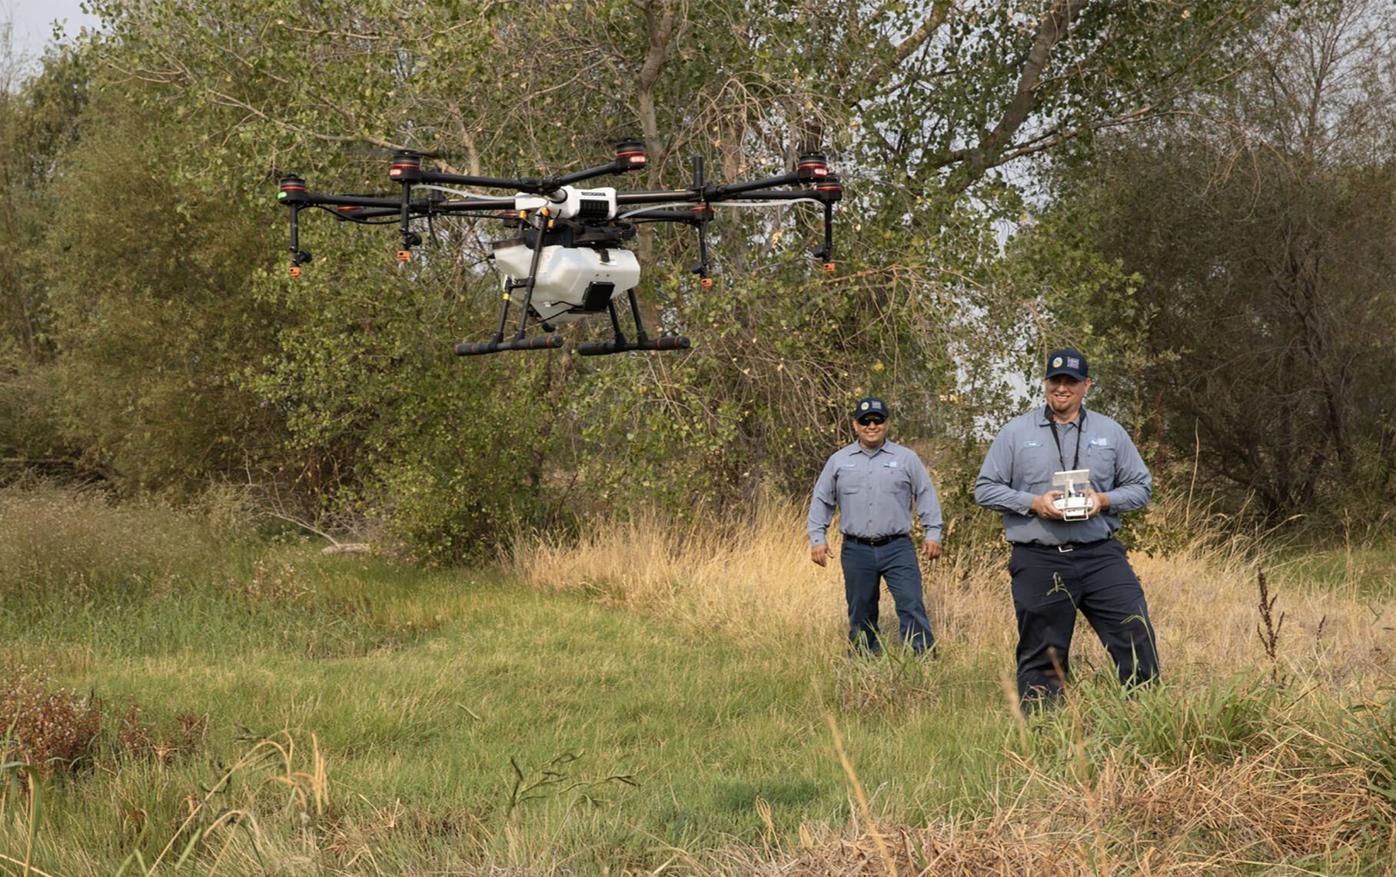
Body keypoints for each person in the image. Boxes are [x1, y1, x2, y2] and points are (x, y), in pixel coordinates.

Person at [975, 348, 1160, 710]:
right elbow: (985, 488)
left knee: (1135, 635)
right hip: (1039, 558)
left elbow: (1141, 487)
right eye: (1055, 380)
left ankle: (1145, 720)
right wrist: (1033, 503)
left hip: (1099, 555)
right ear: (1045, 384)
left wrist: (1102, 501)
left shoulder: (1111, 432)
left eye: (1071, 382)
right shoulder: (1015, 433)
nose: (1062, 388)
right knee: (1043, 653)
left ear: (1086, 385)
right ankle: (1044, 734)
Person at [808, 397, 943, 655]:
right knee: (861, 608)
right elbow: (821, 501)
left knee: (911, 603)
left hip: (897, 548)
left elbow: (925, 494)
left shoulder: (906, 459)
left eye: (878, 420)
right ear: (855, 425)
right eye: (865, 421)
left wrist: (933, 533)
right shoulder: (839, 461)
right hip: (856, 550)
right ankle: (863, 659)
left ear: (886, 424)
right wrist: (818, 539)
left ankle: (923, 658)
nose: (872, 425)